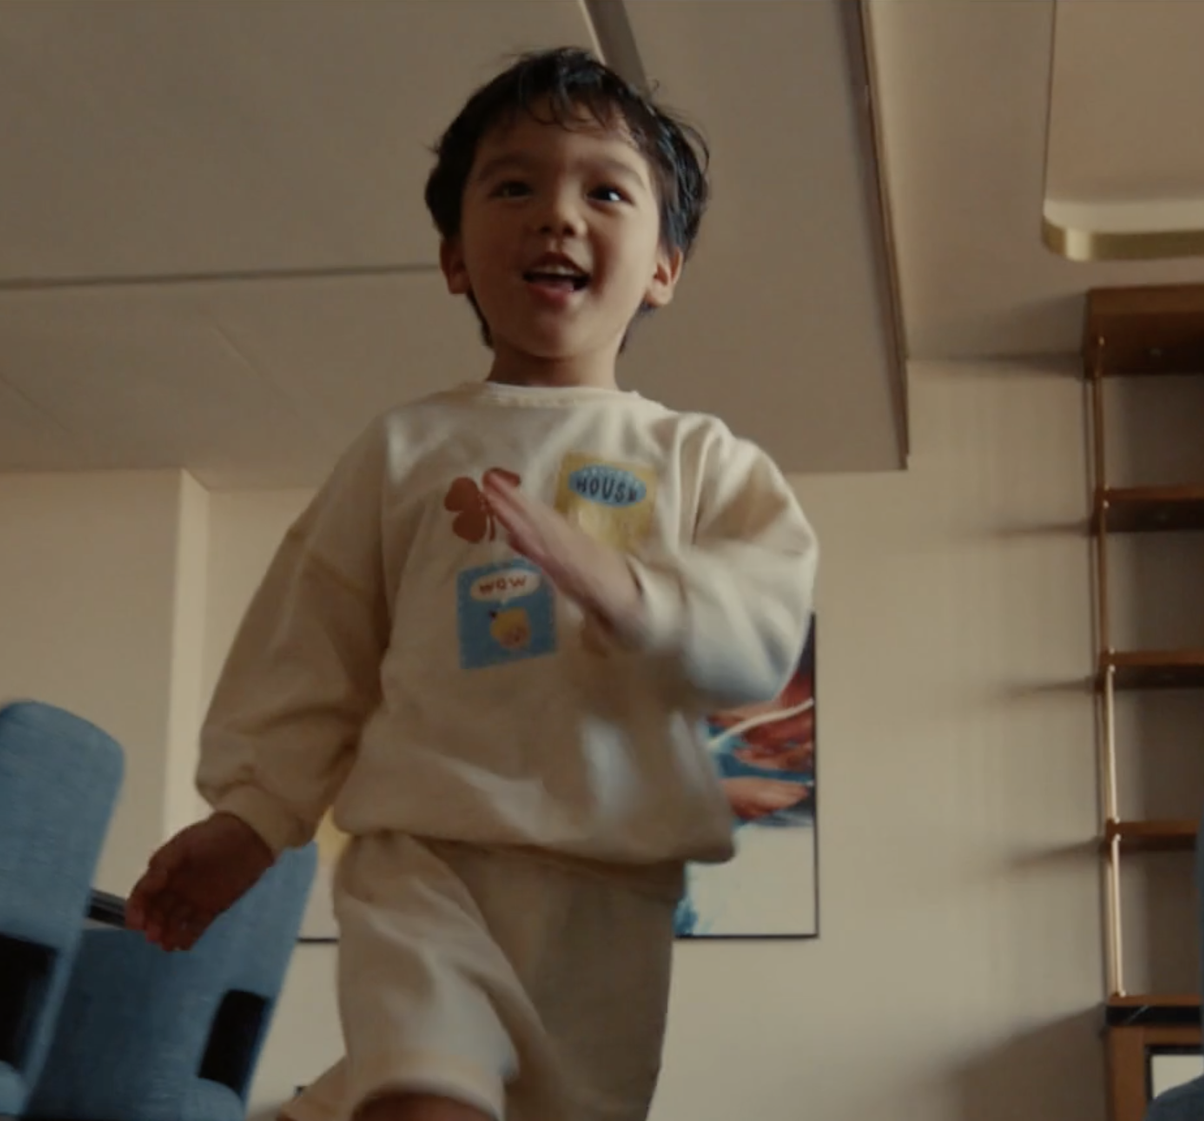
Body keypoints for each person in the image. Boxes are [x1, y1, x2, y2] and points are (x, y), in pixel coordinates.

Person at [123, 46, 819, 1121]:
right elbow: (315, 643)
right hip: (426, 861)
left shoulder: (703, 460)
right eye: (514, 185)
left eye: (604, 190)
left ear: (664, 267)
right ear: (454, 257)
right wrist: (254, 815)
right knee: (428, 1091)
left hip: (613, 887)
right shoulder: (407, 447)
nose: (556, 214)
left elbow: (761, 629)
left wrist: (634, 592)